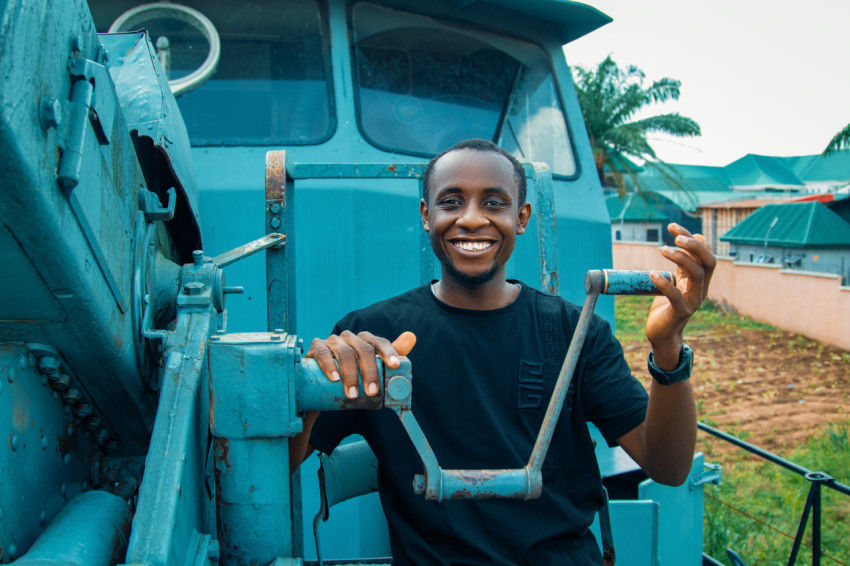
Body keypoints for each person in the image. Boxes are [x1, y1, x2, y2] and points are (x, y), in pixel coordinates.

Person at [290, 138, 716, 565]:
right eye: (451, 201)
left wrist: (668, 349)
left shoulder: (576, 333)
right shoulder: (372, 338)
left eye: (494, 203)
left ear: (522, 217)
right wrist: (312, 386)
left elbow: (669, 467)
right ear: (426, 216)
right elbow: (279, 468)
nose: (472, 219)